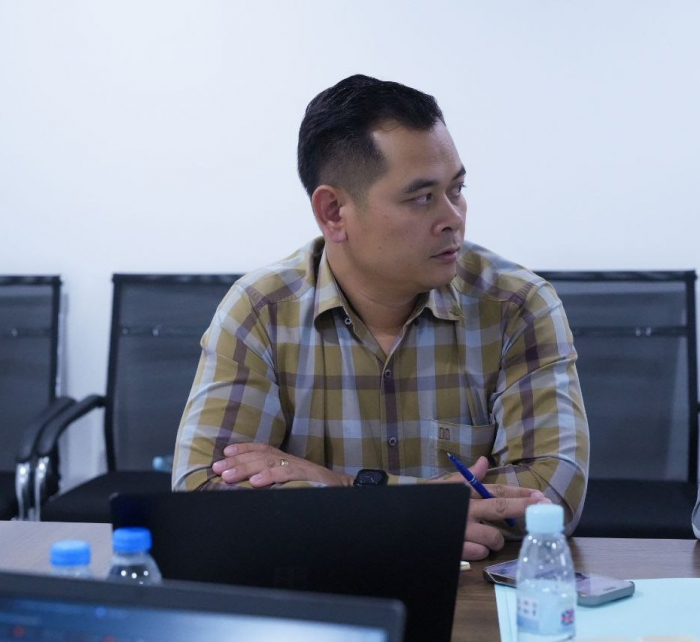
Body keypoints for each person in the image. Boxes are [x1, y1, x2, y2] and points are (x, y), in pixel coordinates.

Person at [173, 74, 590, 560]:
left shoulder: (517, 305)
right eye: (422, 198)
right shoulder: (261, 311)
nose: (453, 217)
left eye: (457, 189)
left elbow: (552, 495)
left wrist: (346, 489)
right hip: (320, 592)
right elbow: (204, 492)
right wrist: (405, 516)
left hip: (478, 590)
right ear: (333, 212)